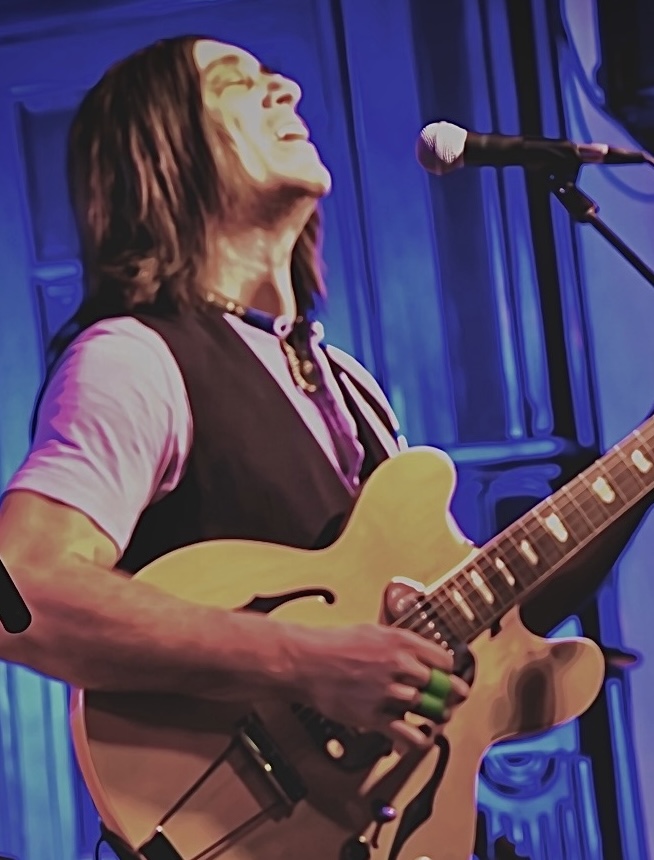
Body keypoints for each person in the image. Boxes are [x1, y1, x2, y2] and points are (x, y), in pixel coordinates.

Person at [0, 33, 468, 773]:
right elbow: (21, 587)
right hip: (228, 811)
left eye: (275, 78)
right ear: (164, 151)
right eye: (236, 83)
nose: (288, 91)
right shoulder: (134, 359)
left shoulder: (352, 386)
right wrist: (301, 660)